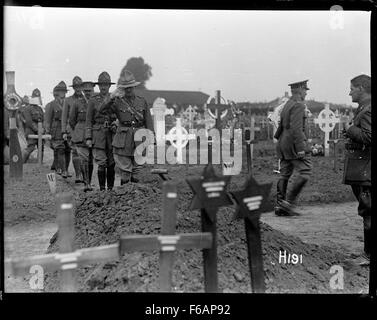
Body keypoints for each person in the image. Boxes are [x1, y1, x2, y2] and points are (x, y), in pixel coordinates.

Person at [99, 69, 154, 185]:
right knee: (125, 171)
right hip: (123, 139)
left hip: (140, 138)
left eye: (131, 87)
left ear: (134, 87)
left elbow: (148, 120)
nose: (128, 89)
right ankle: (125, 196)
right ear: (122, 88)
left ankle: (136, 197)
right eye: (126, 87)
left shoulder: (142, 101)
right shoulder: (117, 101)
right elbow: (101, 110)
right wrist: (111, 97)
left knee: (137, 170)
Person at [343, 74, 371, 266]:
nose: (349, 92)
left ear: (361, 88)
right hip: (363, 168)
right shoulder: (364, 108)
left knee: (369, 210)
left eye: (352, 88)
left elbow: (369, 137)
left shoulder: (368, 110)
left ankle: (369, 255)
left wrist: (349, 129)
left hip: (367, 168)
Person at [274, 80, 312, 216]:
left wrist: (278, 138)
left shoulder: (288, 104)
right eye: (305, 90)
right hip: (293, 144)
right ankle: (288, 204)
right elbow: (296, 129)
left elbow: (281, 126)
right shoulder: (298, 105)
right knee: (305, 172)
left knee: (285, 174)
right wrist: (301, 148)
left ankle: (280, 205)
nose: (306, 92)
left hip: (283, 144)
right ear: (301, 90)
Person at [86, 72, 117, 191]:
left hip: (111, 134)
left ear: (109, 86)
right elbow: (88, 120)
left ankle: (110, 189)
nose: (103, 87)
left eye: (106, 84)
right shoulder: (93, 100)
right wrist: (88, 137)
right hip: (98, 134)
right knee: (101, 162)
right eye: (101, 85)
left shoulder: (114, 99)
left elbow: (118, 116)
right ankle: (102, 190)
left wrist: (115, 123)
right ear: (98, 86)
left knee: (111, 162)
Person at [69, 81, 95, 191]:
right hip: (80, 133)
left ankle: (89, 181)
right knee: (84, 158)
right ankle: (86, 183)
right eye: (86, 91)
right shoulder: (77, 103)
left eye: (90, 91)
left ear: (93, 91)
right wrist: (79, 128)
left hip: (94, 133)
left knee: (91, 159)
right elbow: (72, 120)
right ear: (83, 92)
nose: (88, 93)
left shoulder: (96, 102)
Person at [45, 81, 70, 177]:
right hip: (56, 129)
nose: (62, 93)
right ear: (56, 92)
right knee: (59, 149)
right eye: (60, 91)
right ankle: (62, 170)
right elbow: (47, 119)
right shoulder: (51, 105)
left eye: (64, 91)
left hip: (67, 128)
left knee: (68, 149)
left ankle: (65, 169)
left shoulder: (68, 103)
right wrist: (47, 131)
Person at [62, 76, 84, 183]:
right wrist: (64, 131)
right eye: (76, 87)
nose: (78, 89)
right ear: (74, 88)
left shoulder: (86, 99)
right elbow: (64, 117)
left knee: (84, 153)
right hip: (72, 130)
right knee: (75, 152)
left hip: (84, 130)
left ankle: (85, 176)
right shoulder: (68, 100)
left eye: (80, 86)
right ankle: (78, 175)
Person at [22, 96, 45, 163]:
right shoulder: (27, 109)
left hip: (40, 130)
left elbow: (43, 119)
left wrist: (43, 129)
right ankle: (22, 163)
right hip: (30, 130)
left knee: (41, 148)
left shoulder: (40, 108)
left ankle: (40, 164)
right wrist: (37, 129)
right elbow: (29, 121)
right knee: (31, 147)